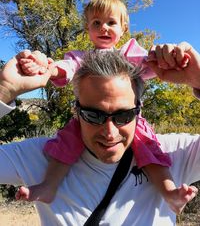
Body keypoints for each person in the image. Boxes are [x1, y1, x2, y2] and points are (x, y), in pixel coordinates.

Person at [17, 0, 190, 214]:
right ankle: (49, 186)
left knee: (150, 148)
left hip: (129, 120)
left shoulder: (129, 54)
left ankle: (169, 193)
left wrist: (171, 57)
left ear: (123, 28)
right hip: (86, 119)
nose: (104, 28)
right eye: (96, 23)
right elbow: (67, 68)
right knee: (65, 143)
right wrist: (49, 68)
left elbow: (153, 65)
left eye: (111, 22)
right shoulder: (83, 58)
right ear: (87, 28)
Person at [0, 45, 199, 226]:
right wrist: (5, 90)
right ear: (76, 112)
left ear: (139, 110)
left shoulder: (172, 154)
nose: (110, 132)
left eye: (124, 115)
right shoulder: (41, 157)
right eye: (93, 115)